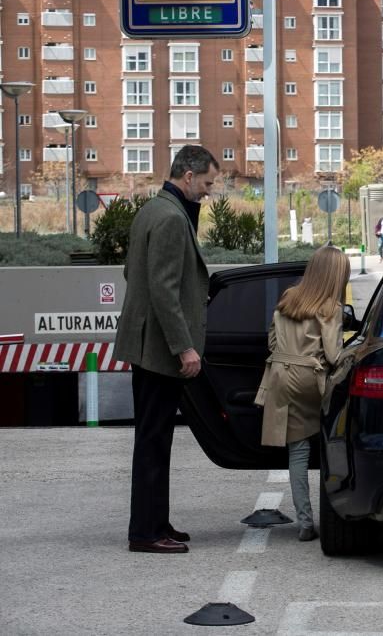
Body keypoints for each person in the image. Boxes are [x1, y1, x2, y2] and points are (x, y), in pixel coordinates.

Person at [113, 145, 219, 554]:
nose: (208, 192)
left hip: (146, 345)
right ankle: (146, 532)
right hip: (160, 350)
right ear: (188, 176)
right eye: (207, 183)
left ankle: (156, 522)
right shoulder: (173, 219)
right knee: (154, 441)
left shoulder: (151, 210)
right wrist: (184, 347)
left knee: (153, 439)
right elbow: (164, 290)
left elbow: (131, 272)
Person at [255, 245, 351, 541]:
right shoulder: (330, 308)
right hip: (311, 379)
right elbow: (334, 356)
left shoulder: (288, 298)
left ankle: (305, 523)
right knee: (331, 444)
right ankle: (338, 513)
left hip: (281, 377)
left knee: (297, 452)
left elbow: (272, 340)